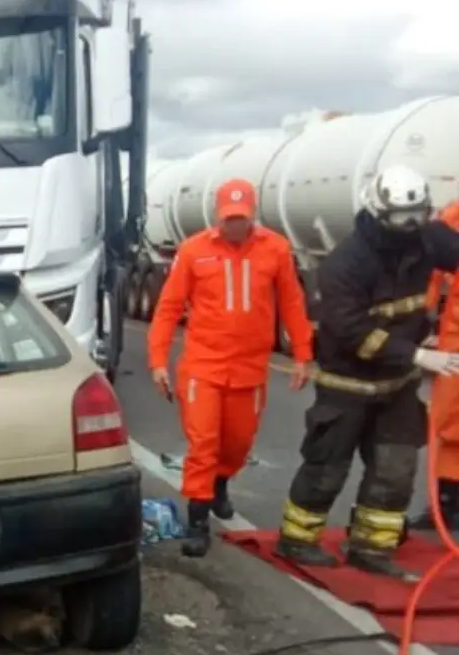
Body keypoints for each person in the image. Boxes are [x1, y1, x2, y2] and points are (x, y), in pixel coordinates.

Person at [276, 165, 459, 580]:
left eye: (417, 214)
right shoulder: (345, 264)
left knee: (395, 468)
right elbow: (350, 330)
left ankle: (371, 548)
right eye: (401, 217)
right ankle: (297, 540)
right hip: (348, 384)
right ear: (378, 212)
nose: (410, 225)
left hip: (398, 385)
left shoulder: (427, 239)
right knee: (327, 467)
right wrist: (415, 354)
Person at [149, 177, 314, 558]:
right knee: (203, 444)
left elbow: (292, 302)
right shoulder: (194, 251)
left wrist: (303, 353)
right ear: (218, 216)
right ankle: (197, 521)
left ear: (251, 214)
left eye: (241, 218)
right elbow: (168, 308)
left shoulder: (275, 249)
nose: (235, 225)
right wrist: (158, 361)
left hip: (249, 369)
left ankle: (220, 483)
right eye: (229, 218)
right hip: (203, 367)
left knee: (238, 444)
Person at [406, 199, 459, 533]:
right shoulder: (452, 218)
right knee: (449, 421)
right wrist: (418, 319)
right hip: (456, 342)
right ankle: (447, 501)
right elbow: (432, 268)